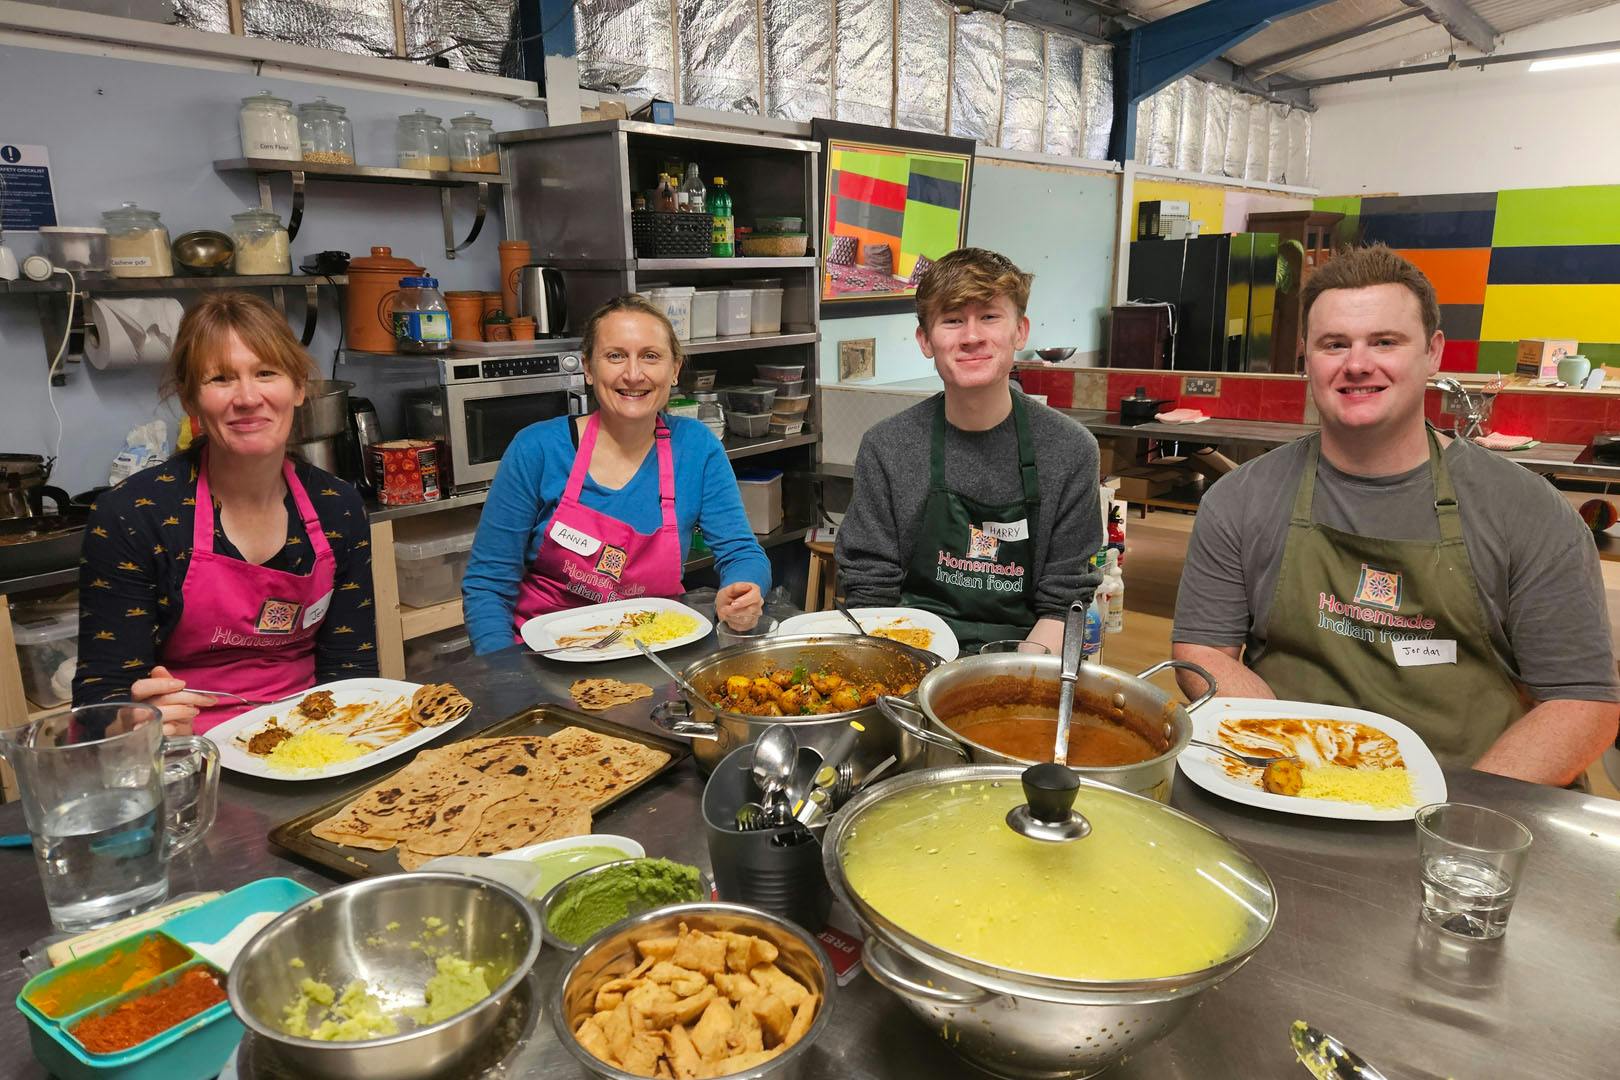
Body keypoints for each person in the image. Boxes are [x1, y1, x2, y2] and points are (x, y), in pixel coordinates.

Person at [1172, 245, 1619, 785]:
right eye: (1334, 344)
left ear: (1432, 353)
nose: (1357, 364)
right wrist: (1291, 757)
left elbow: (1582, 702)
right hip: (1288, 787)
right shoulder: (1241, 499)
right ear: (1306, 356)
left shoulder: (1526, 511)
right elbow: (1204, 650)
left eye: (1385, 341)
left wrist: (1454, 819)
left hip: (1470, 807)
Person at [73, 292, 378, 736]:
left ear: (298, 388)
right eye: (220, 378)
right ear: (190, 399)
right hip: (184, 751)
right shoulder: (135, 515)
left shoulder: (338, 506)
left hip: (313, 740)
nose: (248, 397)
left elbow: (351, 668)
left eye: (266, 373)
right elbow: (101, 695)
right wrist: (131, 721)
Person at [462, 295, 770, 653]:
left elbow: (741, 552)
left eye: (650, 356)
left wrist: (743, 590)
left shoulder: (697, 448)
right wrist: (505, 676)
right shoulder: (536, 450)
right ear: (588, 368)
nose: (634, 374)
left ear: (674, 370)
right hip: (541, 664)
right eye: (615, 356)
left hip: (656, 657)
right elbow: (488, 584)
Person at [836, 248, 1102, 654]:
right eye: (953, 320)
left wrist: (1013, 681)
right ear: (925, 340)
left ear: (1020, 331)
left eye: (990, 316)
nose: (972, 336)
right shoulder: (887, 448)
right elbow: (870, 591)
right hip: (906, 655)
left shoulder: (1070, 451)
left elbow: (1064, 604)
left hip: (1025, 658)